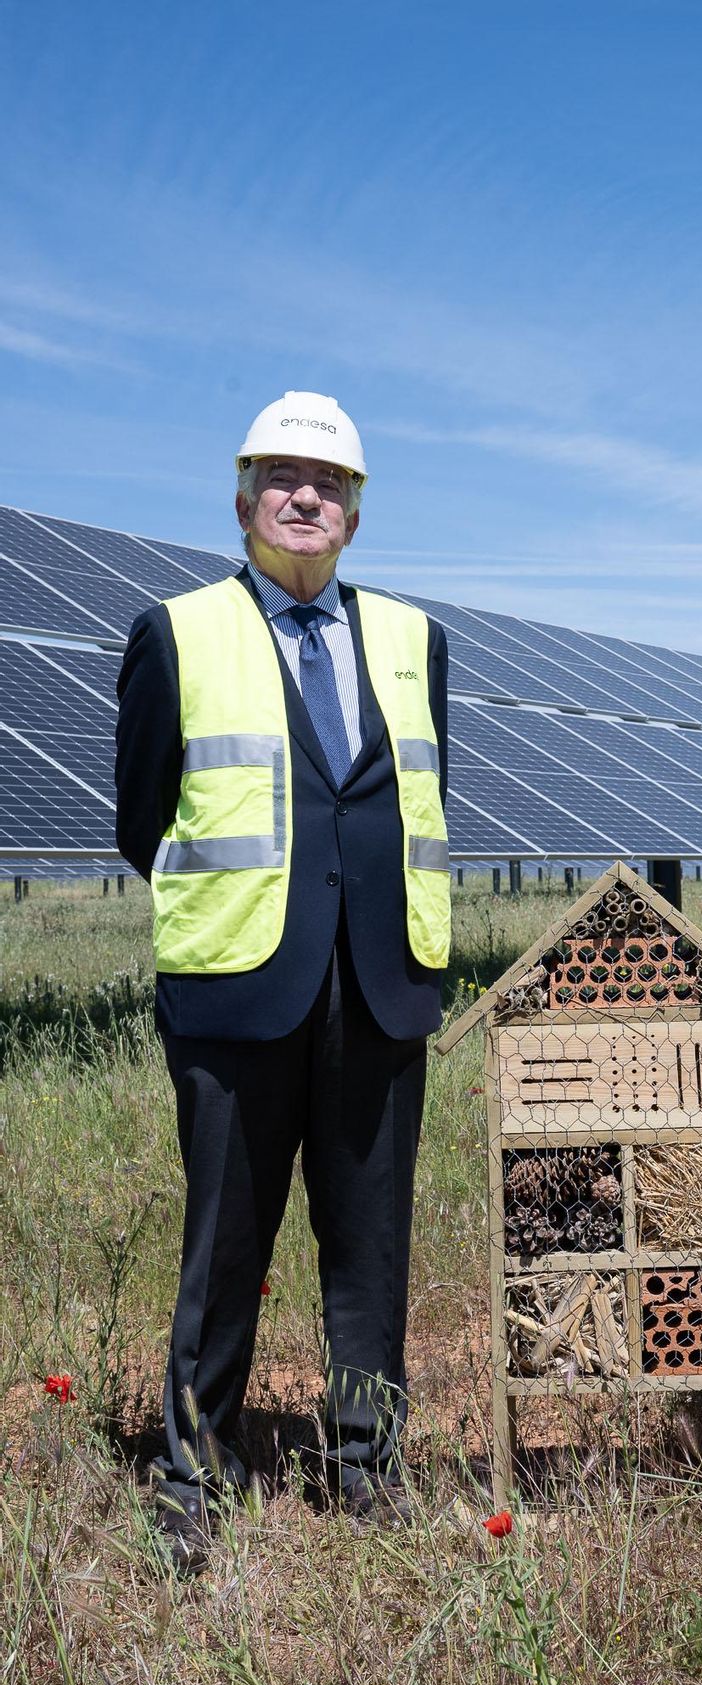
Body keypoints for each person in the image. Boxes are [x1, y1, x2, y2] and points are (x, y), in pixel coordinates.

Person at [115, 392, 451, 1570]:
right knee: (225, 1246)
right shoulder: (177, 632)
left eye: (330, 482)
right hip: (238, 989)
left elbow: (408, 798)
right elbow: (141, 820)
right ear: (244, 496)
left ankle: (366, 1464)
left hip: (379, 986)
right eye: (281, 476)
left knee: (370, 1247)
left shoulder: (415, 640)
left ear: (356, 513)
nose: (305, 496)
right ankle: (193, 1475)